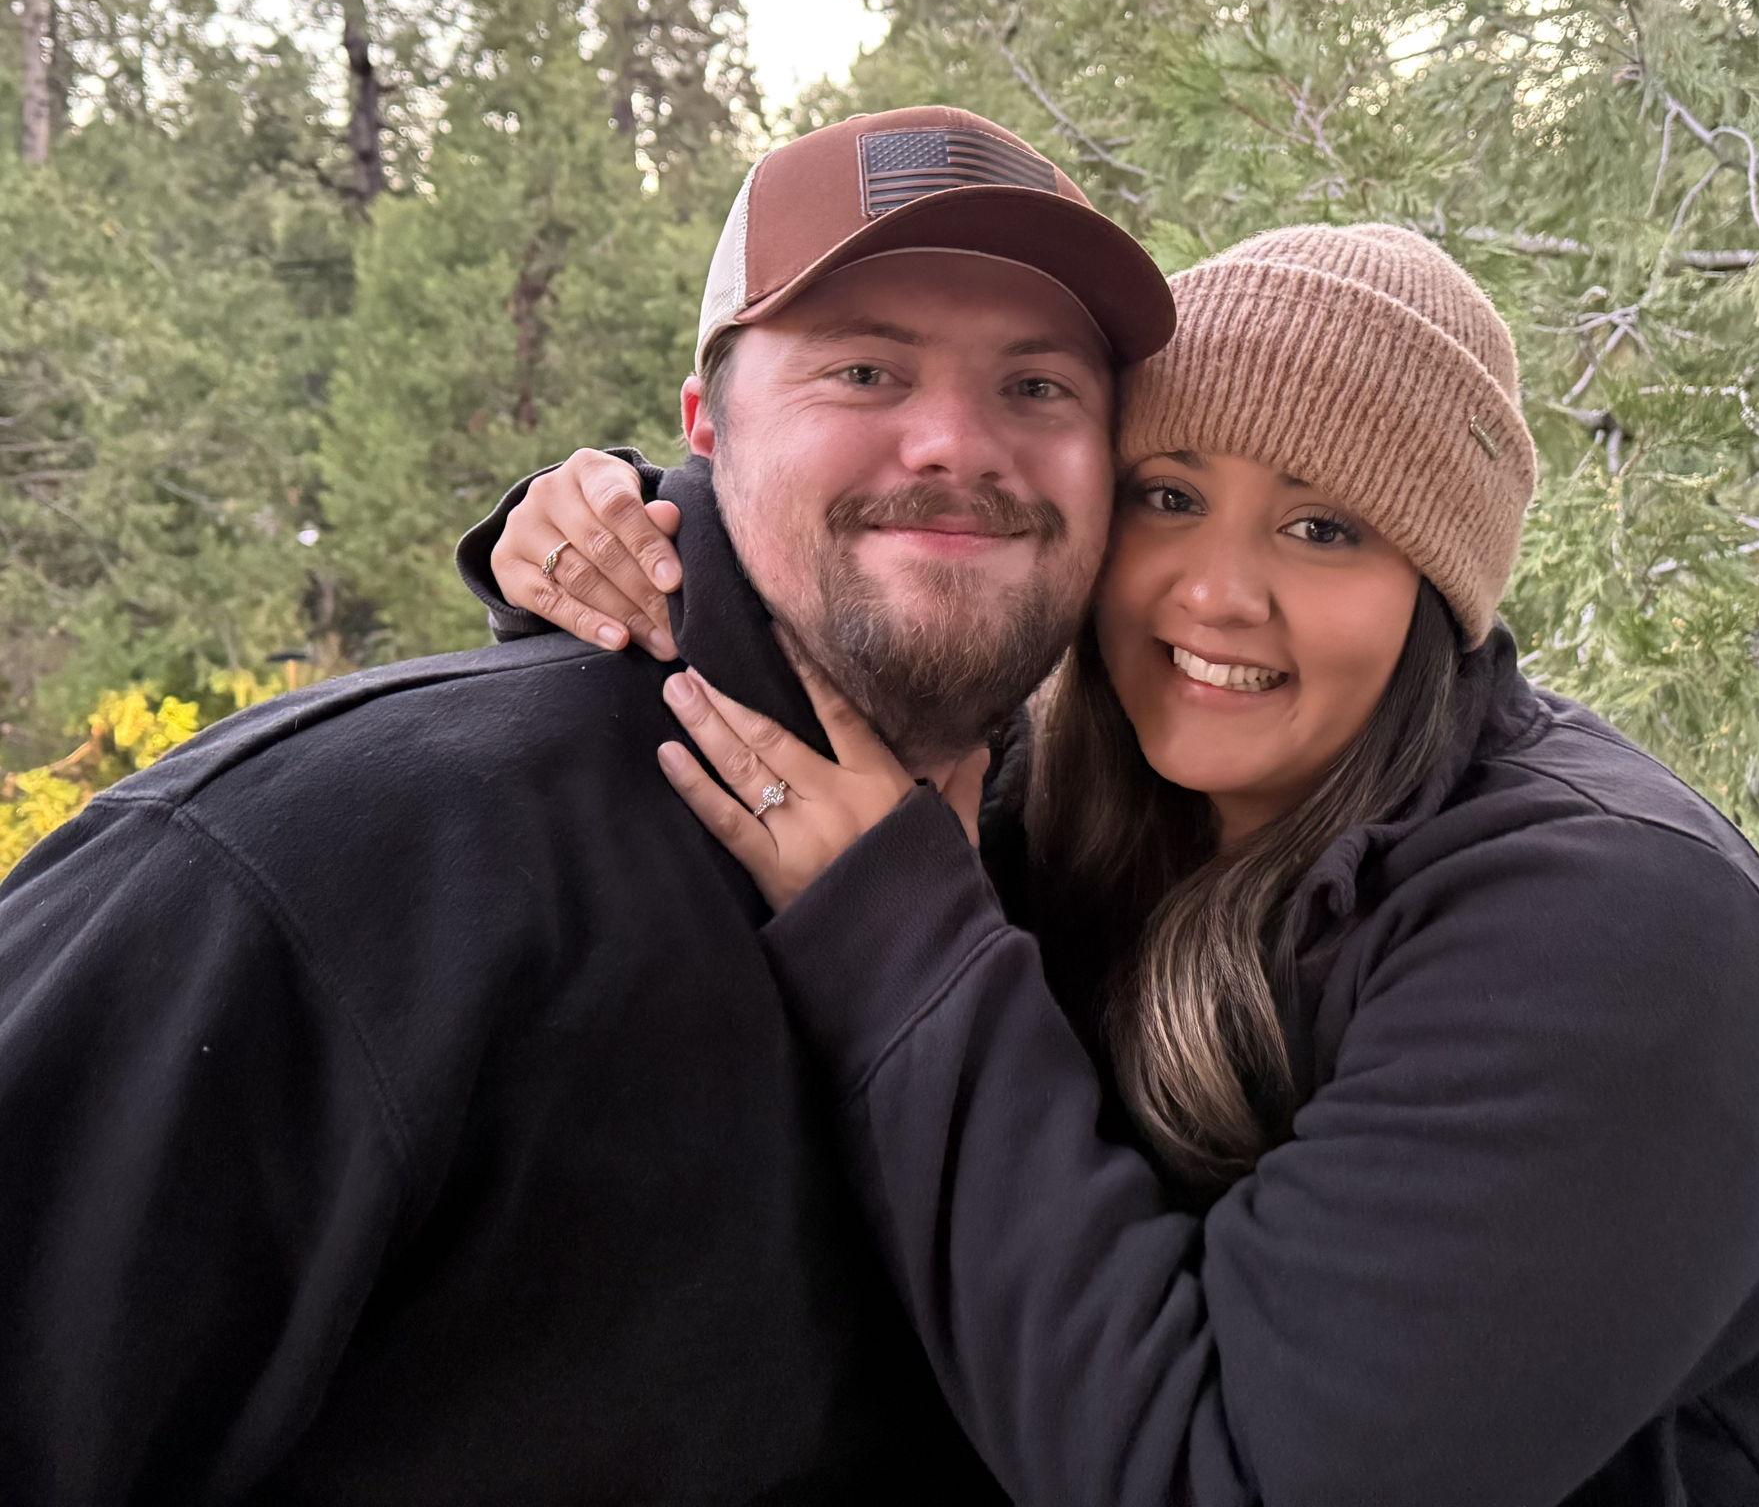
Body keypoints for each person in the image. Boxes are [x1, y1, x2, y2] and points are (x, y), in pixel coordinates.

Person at [479, 223, 1759, 1507]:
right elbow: (828, 650)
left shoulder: (1611, 932)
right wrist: (623, 545)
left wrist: (901, 938)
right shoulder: (1097, 785)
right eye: (1168, 498)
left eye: (1323, 531)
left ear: (1437, 590)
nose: (1214, 595)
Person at [0, 105, 1173, 1504]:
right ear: (707, 423)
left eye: (1038, 387)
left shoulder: (1117, 870)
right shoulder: (335, 861)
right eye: (866, 370)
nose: (956, 445)